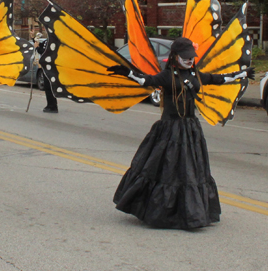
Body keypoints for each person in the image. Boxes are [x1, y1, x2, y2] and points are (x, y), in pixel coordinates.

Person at [108, 37, 254, 229]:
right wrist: (127, 72)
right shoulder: (166, 76)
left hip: (190, 129)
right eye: (185, 57)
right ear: (175, 56)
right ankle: (162, 211)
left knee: (190, 170)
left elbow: (217, 79)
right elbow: (146, 80)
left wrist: (241, 74)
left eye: (191, 57)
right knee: (166, 169)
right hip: (170, 128)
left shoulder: (195, 74)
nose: (189, 60)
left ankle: (190, 211)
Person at [34, 35, 58, 113]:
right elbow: (41, 45)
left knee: (49, 87)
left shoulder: (53, 41)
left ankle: (53, 106)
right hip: (46, 67)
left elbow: (45, 52)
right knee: (47, 87)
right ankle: (50, 104)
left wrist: (37, 48)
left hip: (50, 67)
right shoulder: (47, 41)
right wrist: (34, 38)